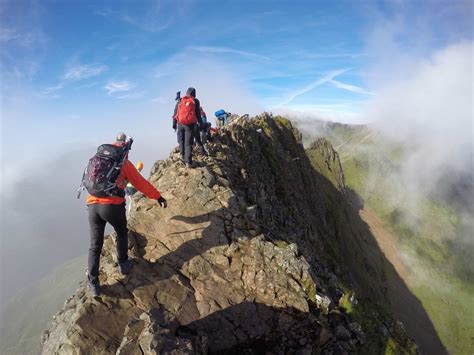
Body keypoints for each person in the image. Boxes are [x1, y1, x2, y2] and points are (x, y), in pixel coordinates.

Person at [85, 133, 167, 297]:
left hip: (93, 206)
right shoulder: (123, 163)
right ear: (125, 148)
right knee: (122, 233)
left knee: (95, 246)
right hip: (112, 206)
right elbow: (140, 183)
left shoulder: (97, 159)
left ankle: (93, 283)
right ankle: (123, 263)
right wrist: (157, 196)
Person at [173, 87, 203, 167]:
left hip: (180, 123)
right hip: (190, 125)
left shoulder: (181, 100)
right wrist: (201, 124)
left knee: (181, 140)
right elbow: (198, 114)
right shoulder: (195, 101)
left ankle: (182, 156)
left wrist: (174, 124)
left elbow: (176, 112)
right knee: (188, 143)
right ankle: (188, 162)